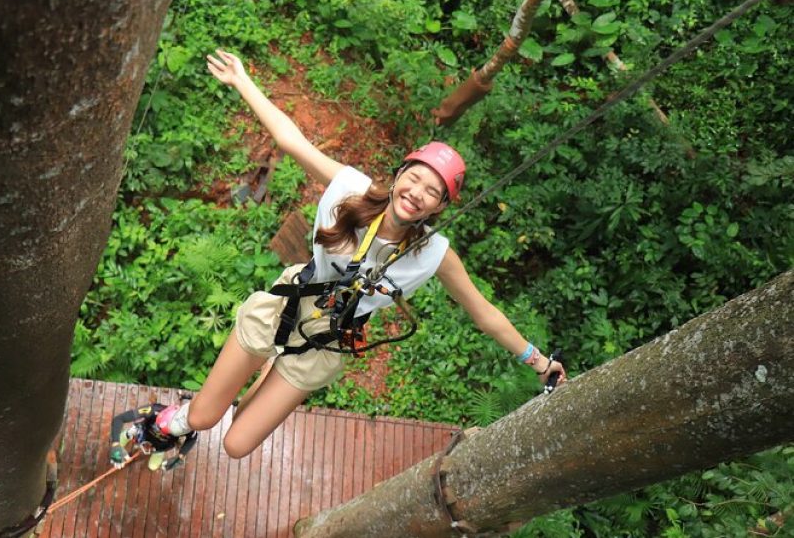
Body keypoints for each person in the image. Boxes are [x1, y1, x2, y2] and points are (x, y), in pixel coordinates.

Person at [164, 49, 567, 459]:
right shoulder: (351, 191)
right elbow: (291, 141)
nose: (417, 194)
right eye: (414, 179)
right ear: (397, 178)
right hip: (287, 307)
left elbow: (484, 312)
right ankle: (171, 423)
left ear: (439, 207)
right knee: (202, 418)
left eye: (433, 192)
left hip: (328, 340)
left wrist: (538, 362)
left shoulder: (433, 253)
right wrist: (241, 80)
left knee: (236, 445)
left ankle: (271, 370)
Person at [108, 403, 198, 471]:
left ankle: (158, 453)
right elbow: (119, 419)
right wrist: (116, 443)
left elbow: (192, 438)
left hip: (162, 445)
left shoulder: (190, 426)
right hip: (143, 431)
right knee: (130, 433)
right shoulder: (152, 409)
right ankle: (126, 436)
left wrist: (180, 456)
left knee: (152, 466)